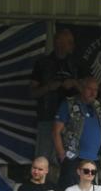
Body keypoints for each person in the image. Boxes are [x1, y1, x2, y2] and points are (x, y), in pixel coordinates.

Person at [30, 28, 80, 164]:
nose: (72, 46)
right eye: (69, 42)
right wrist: (49, 87)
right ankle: (43, 185)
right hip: (48, 116)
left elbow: (89, 91)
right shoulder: (42, 63)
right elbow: (32, 92)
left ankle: (64, 185)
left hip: (70, 120)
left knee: (69, 159)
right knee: (43, 158)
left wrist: (74, 83)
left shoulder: (76, 64)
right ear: (58, 42)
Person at [54, 76, 101, 191]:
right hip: (74, 158)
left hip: (93, 159)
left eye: (95, 90)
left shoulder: (97, 106)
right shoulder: (69, 104)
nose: (93, 93)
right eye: (89, 89)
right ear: (81, 88)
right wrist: (62, 155)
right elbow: (56, 131)